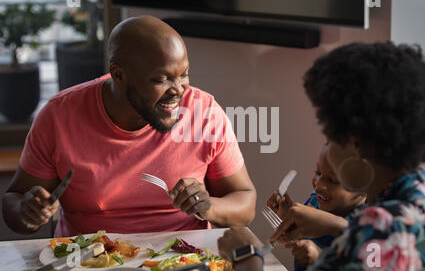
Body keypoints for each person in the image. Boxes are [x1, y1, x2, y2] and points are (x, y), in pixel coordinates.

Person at [2, 16, 256, 237]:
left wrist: (209, 206)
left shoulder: (204, 113)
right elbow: (13, 203)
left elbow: (245, 203)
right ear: (118, 74)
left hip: (182, 260)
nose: (179, 89)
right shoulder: (59, 116)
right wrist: (28, 211)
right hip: (89, 262)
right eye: (161, 78)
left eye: (184, 74)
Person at [218, 42, 425, 271]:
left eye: (330, 136)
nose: (327, 151)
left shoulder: (375, 232)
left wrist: (247, 258)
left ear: (356, 145)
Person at [266, 142, 366, 271]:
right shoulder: (315, 201)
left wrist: (320, 258)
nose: (319, 186)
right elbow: (299, 237)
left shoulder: (369, 226)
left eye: (333, 180)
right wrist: (287, 219)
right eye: (318, 173)